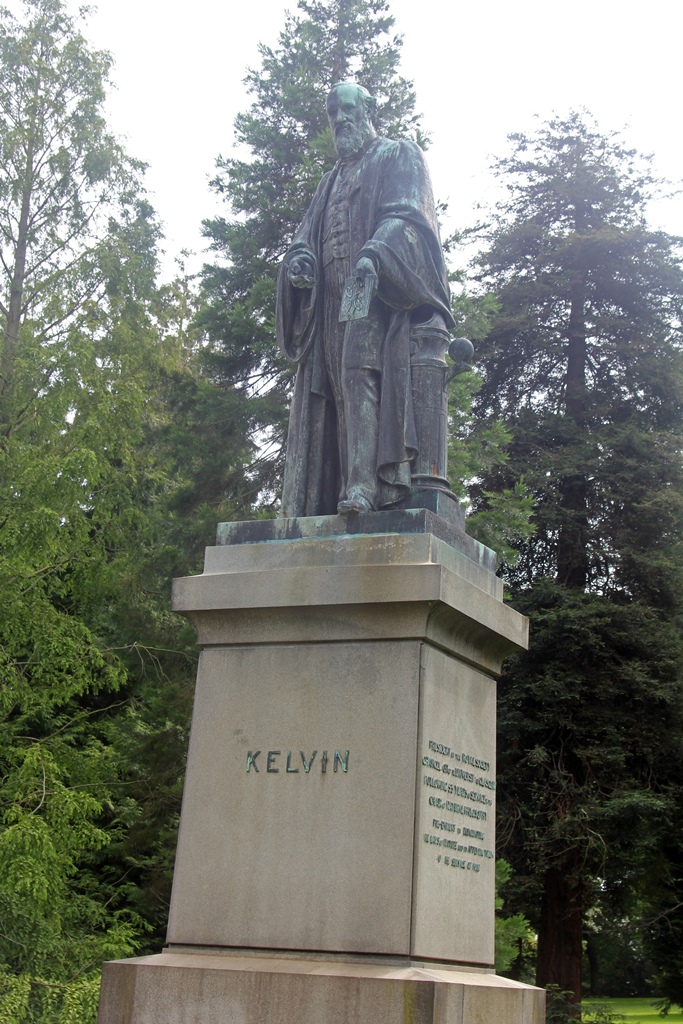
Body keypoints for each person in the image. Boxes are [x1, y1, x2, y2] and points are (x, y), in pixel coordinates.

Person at [277, 81, 454, 517]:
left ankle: (363, 487)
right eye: (332, 112)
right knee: (333, 393)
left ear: (369, 108)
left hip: (376, 293)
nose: (339, 119)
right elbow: (305, 239)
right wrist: (299, 263)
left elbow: (411, 218)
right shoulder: (329, 181)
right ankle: (332, 489)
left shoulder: (399, 155)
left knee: (360, 375)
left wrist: (375, 254)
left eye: (347, 109)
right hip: (330, 304)